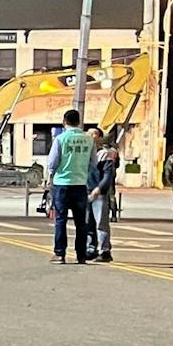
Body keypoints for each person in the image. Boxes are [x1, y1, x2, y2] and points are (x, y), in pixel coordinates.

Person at [43, 109, 95, 263]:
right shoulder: (89, 140)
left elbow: (52, 163)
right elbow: (93, 163)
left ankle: (60, 254)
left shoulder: (60, 139)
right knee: (81, 222)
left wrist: (50, 177)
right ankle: (81, 255)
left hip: (62, 184)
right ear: (79, 122)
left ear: (64, 122)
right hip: (80, 184)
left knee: (61, 220)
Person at [87, 126, 116, 263]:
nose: (92, 137)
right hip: (86, 191)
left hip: (99, 193)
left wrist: (99, 188)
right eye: (90, 134)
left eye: (95, 134)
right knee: (88, 223)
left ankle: (105, 251)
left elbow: (108, 175)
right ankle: (90, 248)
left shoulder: (104, 154)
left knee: (101, 223)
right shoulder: (84, 152)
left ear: (100, 138)